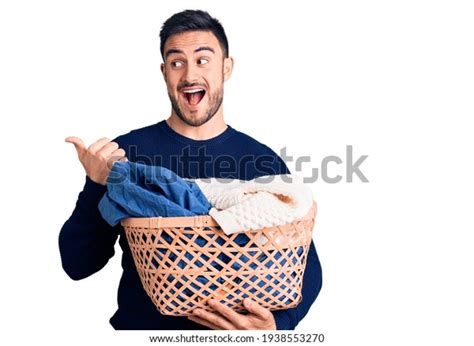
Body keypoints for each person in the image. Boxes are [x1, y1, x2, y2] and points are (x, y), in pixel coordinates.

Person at [59, 9, 322, 330]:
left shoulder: (261, 161)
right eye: (176, 62)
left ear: (227, 67)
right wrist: (96, 184)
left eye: (202, 60)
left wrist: (276, 326)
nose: (188, 75)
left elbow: (306, 266)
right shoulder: (127, 155)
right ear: (164, 71)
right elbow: (77, 264)